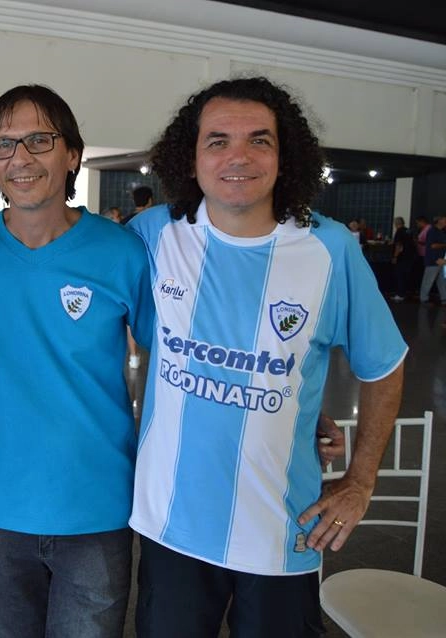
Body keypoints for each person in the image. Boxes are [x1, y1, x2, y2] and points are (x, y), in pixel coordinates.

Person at [127, 76, 406, 637]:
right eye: (217, 140)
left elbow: (385, 364)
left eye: (260, 140)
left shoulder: (330, 250)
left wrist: (360, 481)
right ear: (191, 155)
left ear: (286, 156)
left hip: (283, 530)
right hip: (170, 524)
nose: (238, 156)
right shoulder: (152, 235)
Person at [0, 84, 155, 638]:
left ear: (72, 154)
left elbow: (170, 363)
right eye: (2, 145)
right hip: (2, 502)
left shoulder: (122, 251)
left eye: (39, 140)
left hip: (98, 501)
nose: (20, 158)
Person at [126, 186, 156, 369]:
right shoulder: (156, 221)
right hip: (152, 279)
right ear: (150, 200)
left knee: (131, 322)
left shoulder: (127, 222)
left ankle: (134, 356)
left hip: (129, 279)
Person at [419, 216, 446, 305]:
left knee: (442, 281)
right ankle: (424, 299)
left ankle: (444, 298)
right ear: (440, 221)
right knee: (428, 280)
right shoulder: (432, 231)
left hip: (441, 260)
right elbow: (432, 246)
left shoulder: (441, 232)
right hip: (433, 260)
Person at [390, 216, 416, 302]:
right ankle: (405, 293)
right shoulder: (409, 231)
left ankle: (400, 294)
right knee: (406, 276)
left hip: (402, 257)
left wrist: (395, 256)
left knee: (400, 275)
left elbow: (399, 246)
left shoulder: (399, 232)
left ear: (396, 223)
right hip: (410, 257)